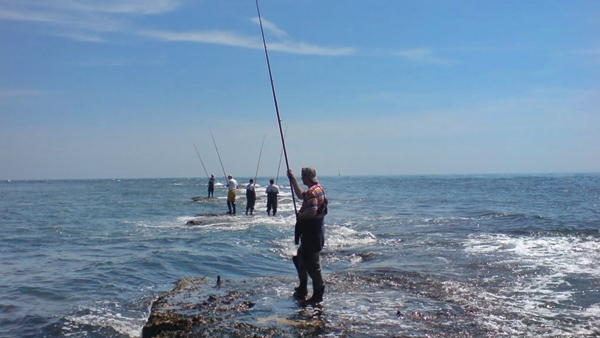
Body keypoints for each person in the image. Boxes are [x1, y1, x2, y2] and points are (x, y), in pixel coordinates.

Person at [287, 166, 328, 305]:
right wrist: (292, 180)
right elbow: (300, 195)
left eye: (302, 176)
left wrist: (300, 216)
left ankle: (318, 294)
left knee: (313, 264)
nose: (301, 178)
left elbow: (312, 211)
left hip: (312, 234)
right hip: (315, 233)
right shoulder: (318, 188)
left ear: (306, 177)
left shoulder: (312, 192)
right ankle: (303, 288)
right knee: (300, 258)